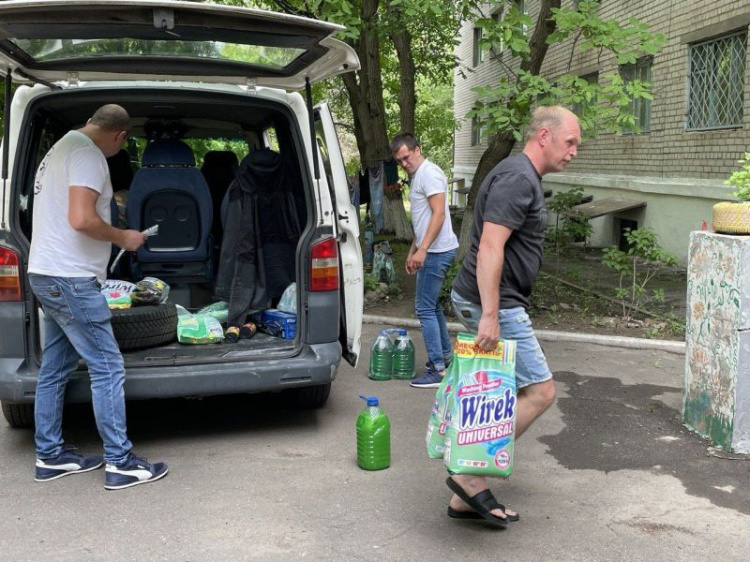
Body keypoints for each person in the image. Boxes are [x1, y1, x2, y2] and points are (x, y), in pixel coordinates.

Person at [447, 106, 581, 525]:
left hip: (499, 301)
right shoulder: (517, 178)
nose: (574, 151)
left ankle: (463, 495)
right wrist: (490, 315)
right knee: (540, 392)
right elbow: (489, 246)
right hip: (497, 304)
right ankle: (470, 477)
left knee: (499, 394)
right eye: (570, 142)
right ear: (544, 135)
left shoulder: (522, 176)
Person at [28, 104, 169, 490]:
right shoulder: (89, 155)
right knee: (108, 366)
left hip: (46, 272)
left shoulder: (60, 148)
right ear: (119, 136)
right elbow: (81, 219)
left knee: (55, 367)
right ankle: (120, 462)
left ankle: (50, 455)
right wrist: (125, 237)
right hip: (71, 278)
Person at [390, 133, 459, 388]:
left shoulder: (429, 173)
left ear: (418, 149)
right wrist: (413, 250)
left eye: (406, 157)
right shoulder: (419, 176)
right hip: (432, 249)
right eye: (399, 161)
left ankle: (437, 370)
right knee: (432, 306)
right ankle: (446, 360)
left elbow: (439, 214)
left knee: (424, 308)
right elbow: (423, 220)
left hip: (437, 251)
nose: (404, 164)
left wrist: (424, 251)